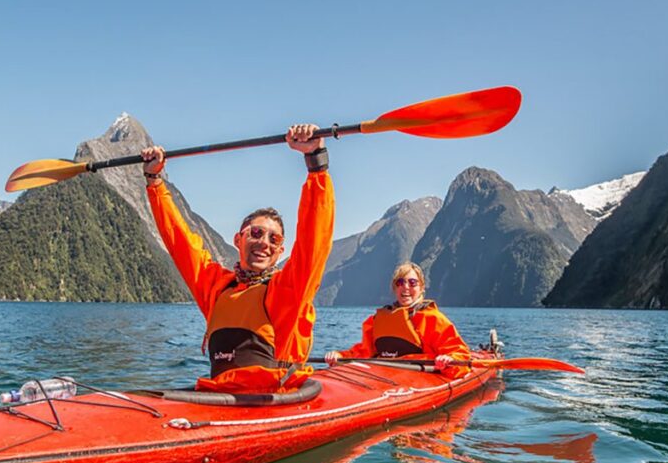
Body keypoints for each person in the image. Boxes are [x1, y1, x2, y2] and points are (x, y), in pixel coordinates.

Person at [141, 124, 333, 393]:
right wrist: (154, 182)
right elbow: (180, 242)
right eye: (256, 233)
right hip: (218, 398)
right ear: (238, 239)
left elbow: (314, 241)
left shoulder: (287, 292)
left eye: (274, 239)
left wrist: (316, 162)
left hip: (272, 404)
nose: (264, 242)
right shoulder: (216, 288)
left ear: (280, 252)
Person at [324, 262, 471, 378]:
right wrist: (340, 356)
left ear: (421, 288)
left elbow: (460, 355)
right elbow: (364, 351)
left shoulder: (432, 318)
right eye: (400, 282)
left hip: (421, 375)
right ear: (395, 288)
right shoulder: (377, 320)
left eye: (412, 283)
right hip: (384, 375)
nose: (406, 287)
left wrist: (449, 359)